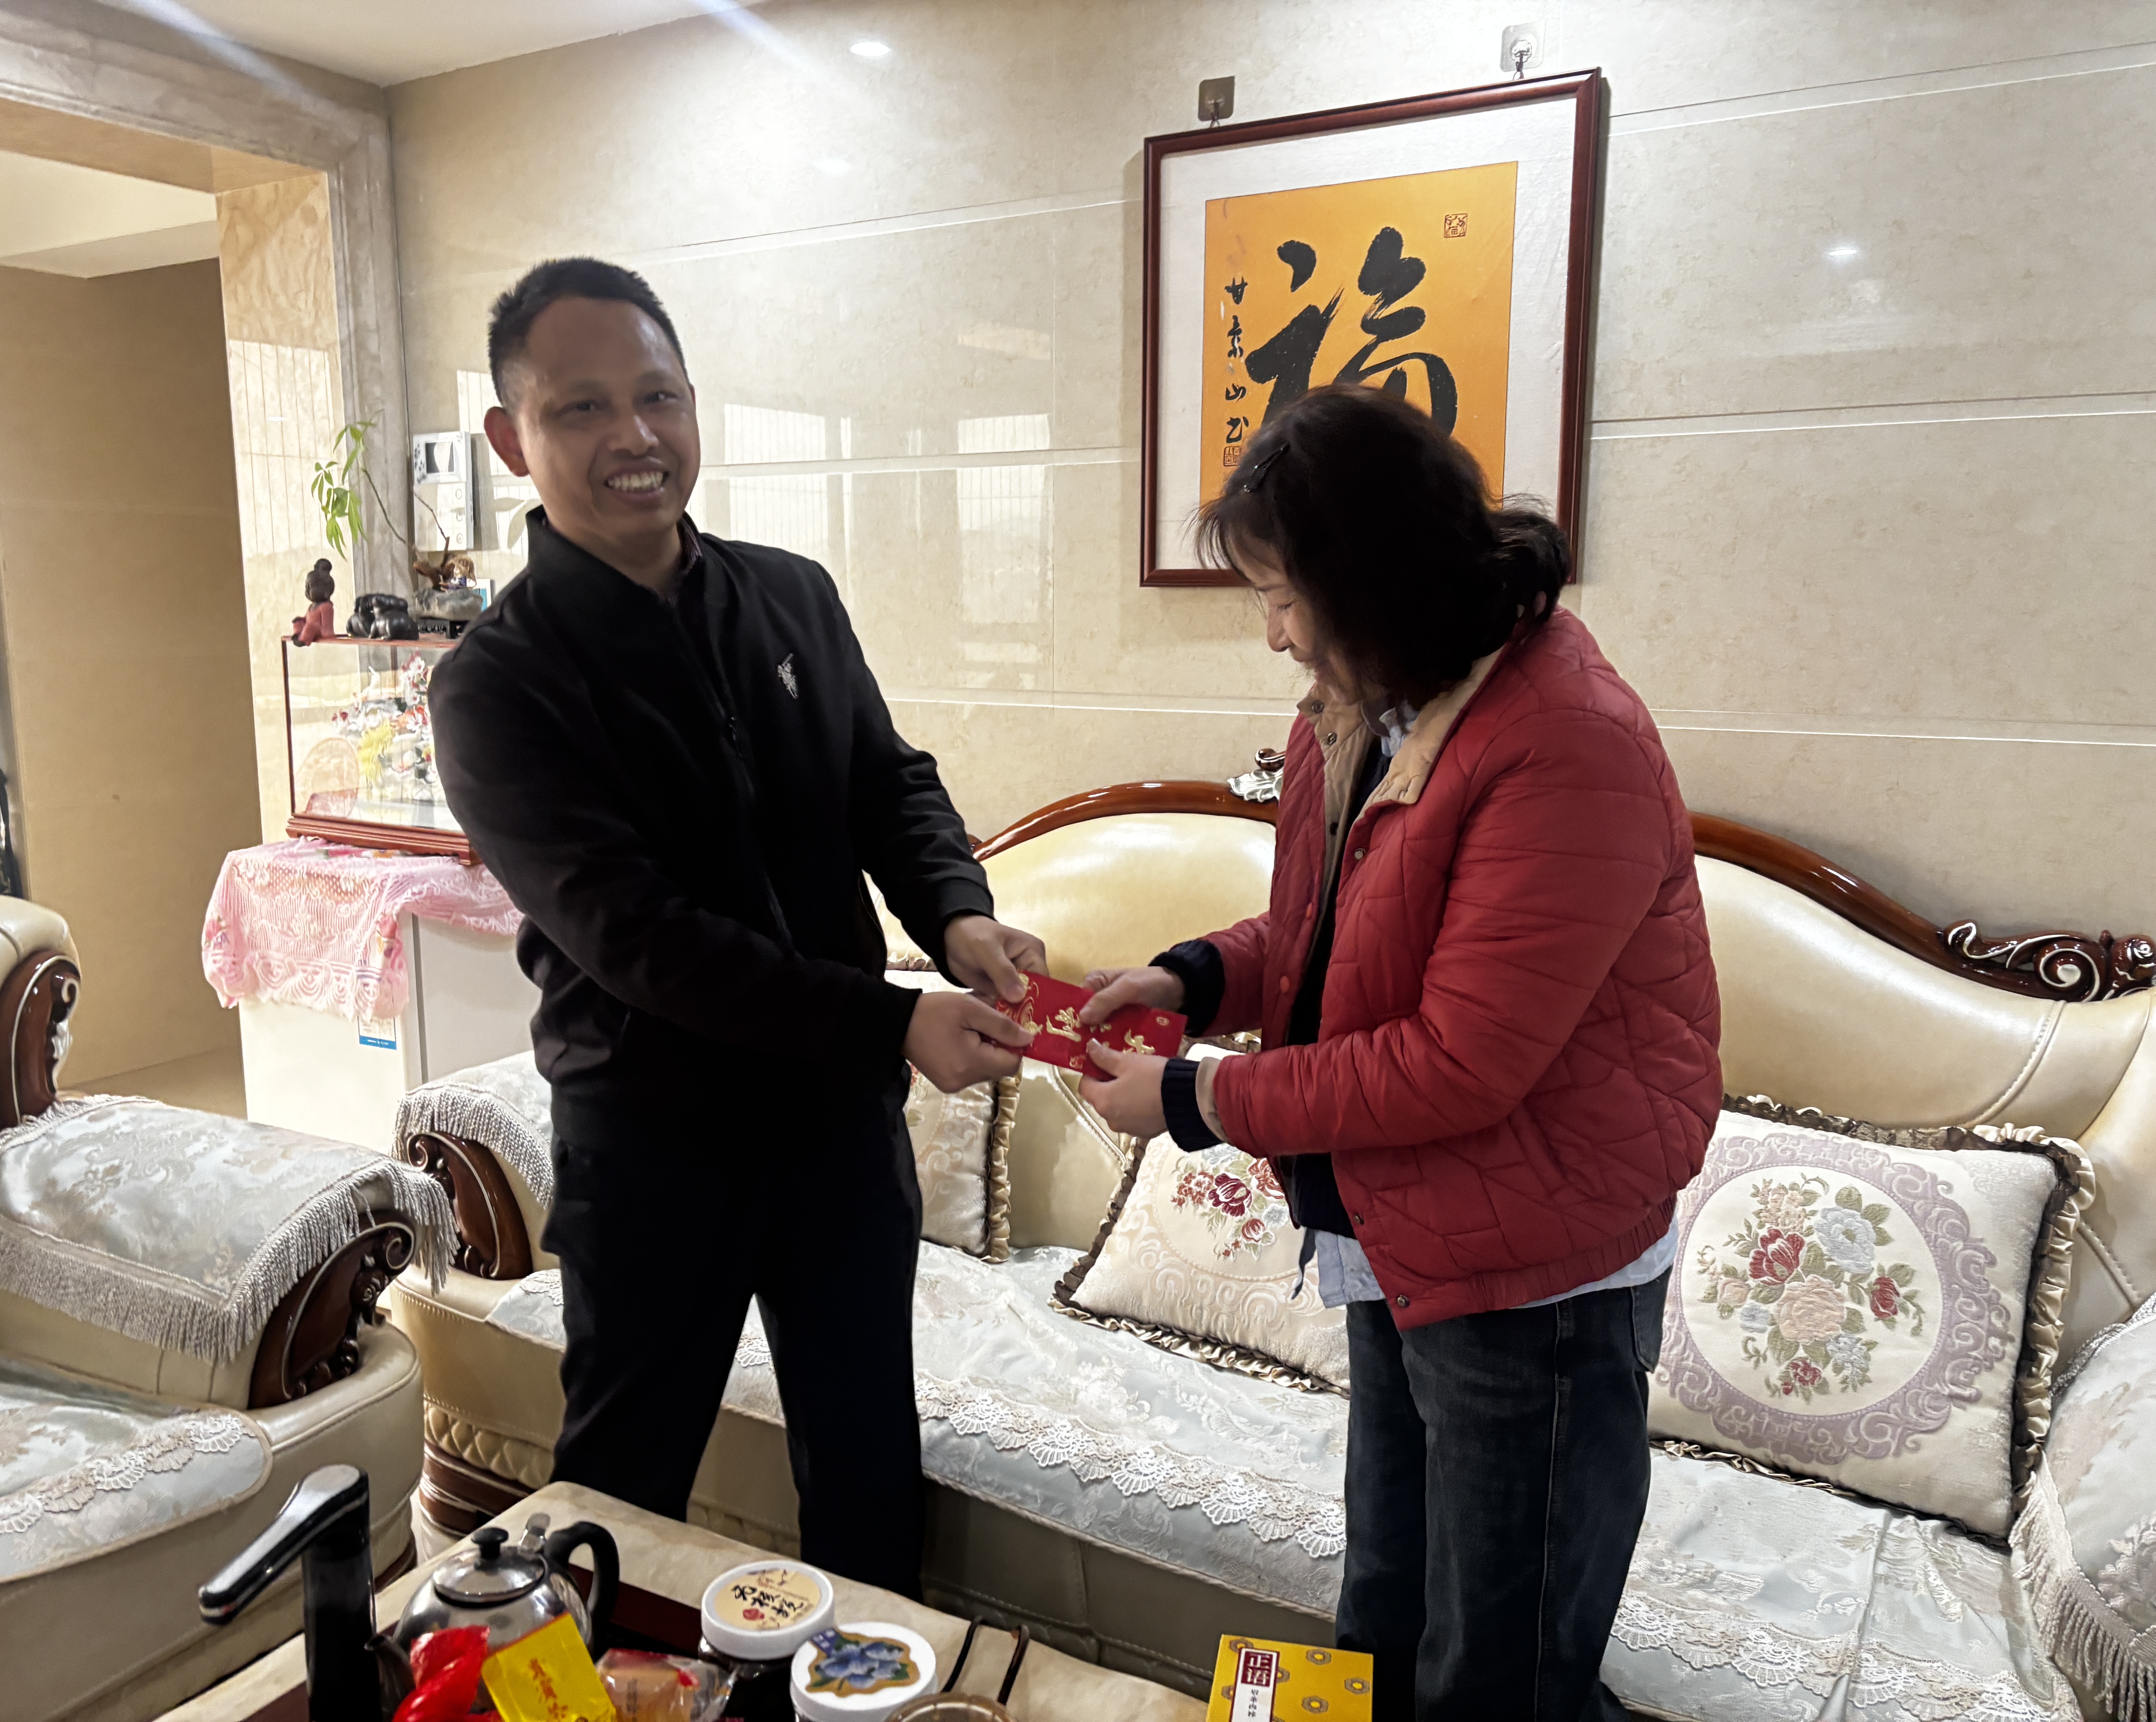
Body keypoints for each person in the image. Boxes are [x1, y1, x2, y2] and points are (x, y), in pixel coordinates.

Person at [1077, 386, 1720, 1720]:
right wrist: (1193, 976)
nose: (1272, 633)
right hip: (1405, 1232)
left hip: (1534, 1275)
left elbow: (1457, 1057)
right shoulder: (1369, 705)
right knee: (1385, 1605)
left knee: (1499, 1668)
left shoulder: (1566, 742)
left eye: (1281, 595)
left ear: (1372, 578)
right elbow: (1326, 934)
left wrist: (1195, 1096)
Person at [428, 257, 1044, 1594]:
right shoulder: (495, 683)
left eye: (659, 396)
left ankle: (859, 1681)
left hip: (836, 1130)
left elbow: (886, 781)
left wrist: (957, 913)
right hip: (656, 1139)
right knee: (618, 1483)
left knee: (867, 1457)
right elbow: (638, 937)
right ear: (511, 439)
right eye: (583, 407)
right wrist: (894, 1019)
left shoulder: (790, 594)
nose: (635, 436)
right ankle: (594, 1679)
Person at [291, 558, 337, 644]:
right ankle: (298, 636)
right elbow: (307, 619)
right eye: (307, 587)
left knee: (310, 627)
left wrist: (318, 630)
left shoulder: (326, 607)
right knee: (299, 622)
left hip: (318, 632)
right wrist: (301, 620)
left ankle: (304, 640)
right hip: (310, 630)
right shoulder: (312, 607)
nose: (308, 590)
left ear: (326, 591)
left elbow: (327, 628)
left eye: (312, 587)